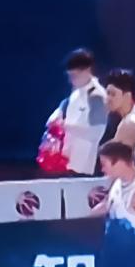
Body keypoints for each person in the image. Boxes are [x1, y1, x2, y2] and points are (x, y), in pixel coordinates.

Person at [45, 49, 108, 177]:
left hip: (85, 167)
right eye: (70, 76)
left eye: (74, 76)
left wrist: (65, 126)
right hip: (68, 162)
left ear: (87, 71)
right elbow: (66, 104)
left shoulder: (97, 96)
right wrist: (58, 113)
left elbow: (96, 133)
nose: (71, 80)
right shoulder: (77, 91)